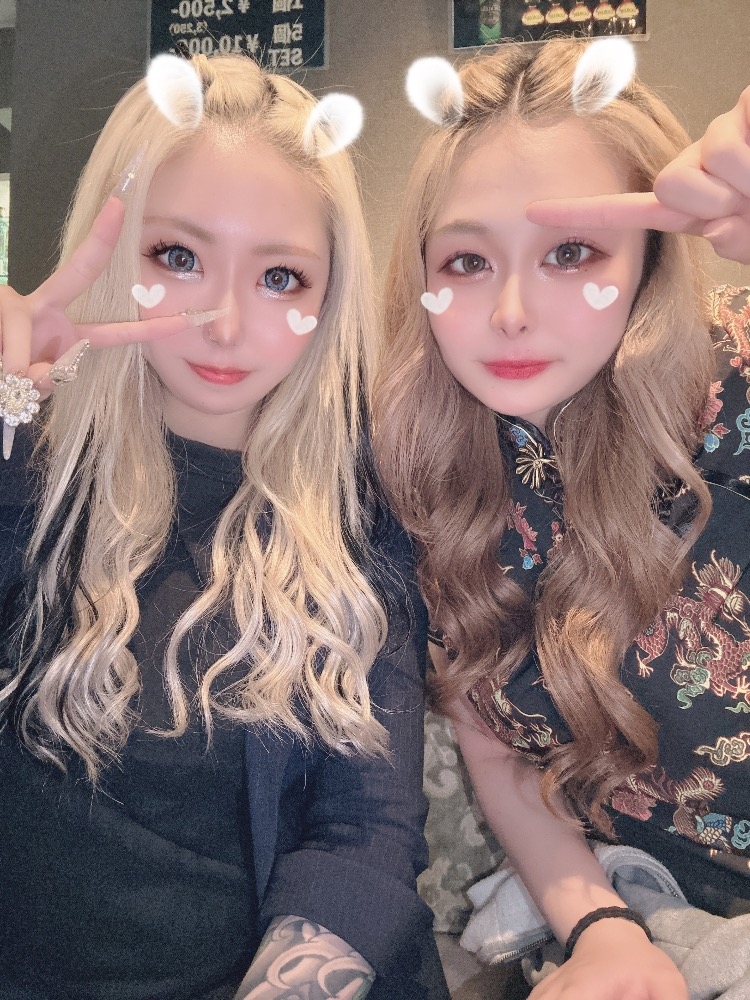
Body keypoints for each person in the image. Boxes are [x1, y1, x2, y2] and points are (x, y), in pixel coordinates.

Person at [0, 54, 449, 1000]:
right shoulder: (30, 477)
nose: (226, 323)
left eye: (281, 275)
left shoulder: (362, 519)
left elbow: (364, 829)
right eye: (178, 258)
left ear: (328, 297)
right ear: (113, 251)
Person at [374, 38, 750, 1000]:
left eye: (570, 252)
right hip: (634, 905)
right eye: (467, 260)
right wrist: (602, 930)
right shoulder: (425, 459)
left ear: (651, 255)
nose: (510, 311)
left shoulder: (734, 391)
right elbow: (491, 744)